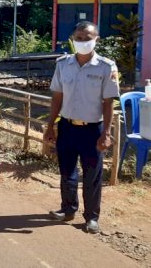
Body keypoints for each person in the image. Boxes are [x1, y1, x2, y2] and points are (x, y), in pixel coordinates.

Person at [44, 21, 119, 234]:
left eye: (87, 38)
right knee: (66, 172)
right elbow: (57, 97)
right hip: (67, 127)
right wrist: (51, 126)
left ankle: (92, 218)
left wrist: (106, 133)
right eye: (78, 38)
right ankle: (68, 209)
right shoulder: (63, 64)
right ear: (72, 39)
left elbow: (108, 103)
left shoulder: (106, 67)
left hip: (92, 130)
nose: (82, 42)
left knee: (92, 175)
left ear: (97, 39)